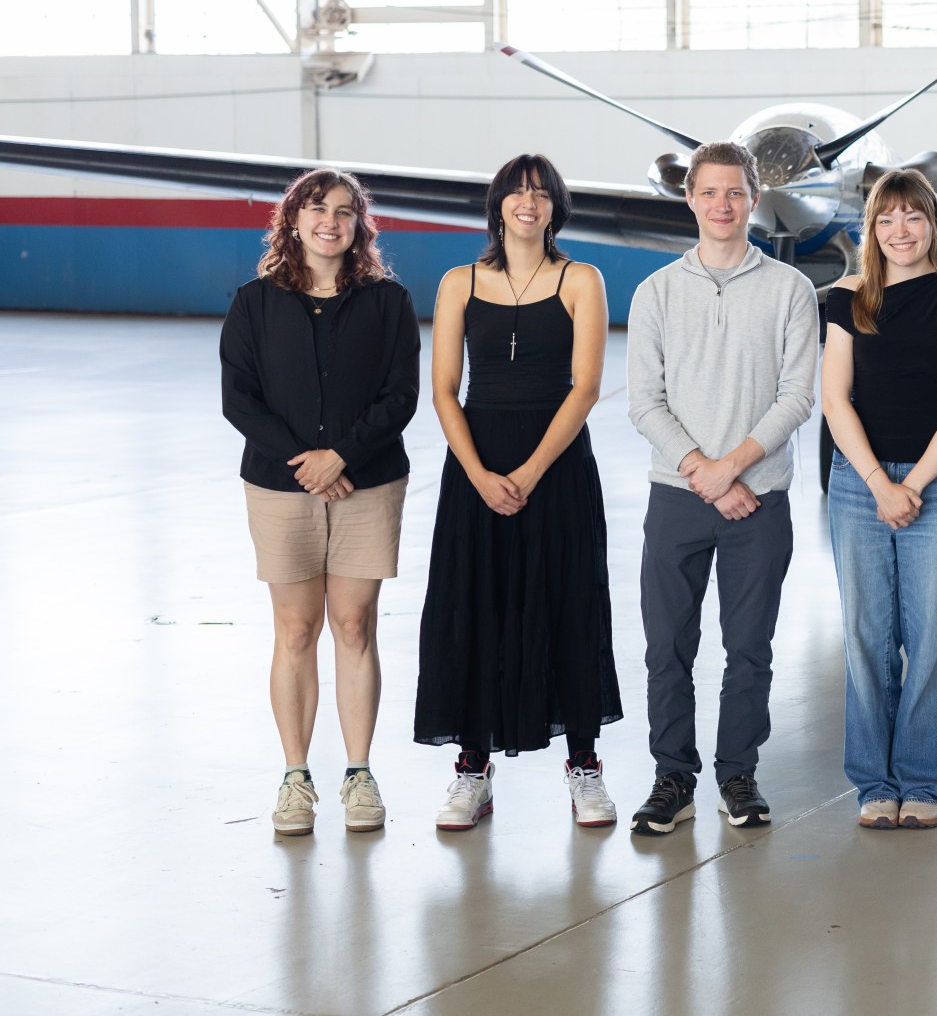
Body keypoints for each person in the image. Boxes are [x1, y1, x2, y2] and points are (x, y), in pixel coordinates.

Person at [413, 155, 623, 830]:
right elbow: (445, 388)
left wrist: (531, 472)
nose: (527, 204)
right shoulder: (458, 282)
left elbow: (584, 387)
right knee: (475, 606)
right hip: (476, 463)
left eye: (540, 194)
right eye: (515, 193)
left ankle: (585, 767)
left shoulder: (580, 279)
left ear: (556, 207)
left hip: (555, 465)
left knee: (568, 603)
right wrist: (477, 472)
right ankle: (472, 771)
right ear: (497, 205)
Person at [221, 169, 419, 836]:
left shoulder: (387, 301)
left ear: (360, 224)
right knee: (297, 629)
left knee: (356, 625)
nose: (329, 220)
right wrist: (308, 463)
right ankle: (295, 778)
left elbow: (400, 396)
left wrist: (344, 457)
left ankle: (359, 774)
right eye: (316, 208)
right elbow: (239, 398)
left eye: (343, 211)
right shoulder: (254, 302)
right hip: (280, 485)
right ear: (293, 220)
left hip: (369, 483)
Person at [627, 141, 817, 834]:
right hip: (677, 495)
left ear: (754, 197)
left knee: (749, 647)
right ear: (690, 199)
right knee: (667, 645)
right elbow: (644, 399)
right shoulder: (656, 292)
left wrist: (731, 468)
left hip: (758, 500)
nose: (721, 205)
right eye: (708, 193)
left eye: (734, 192)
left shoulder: (791, 290)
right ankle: (671, 776)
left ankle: (739, 773)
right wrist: (705, 474)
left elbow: (797, 396)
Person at [820, 170, 937, 829]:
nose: (900, 230)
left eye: (913, 216)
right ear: (871, 229)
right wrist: (877, 484)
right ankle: (873, 783)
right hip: (859, 487)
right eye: (886, 219)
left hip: (936, 485)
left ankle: (923, 781)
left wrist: (911, 485)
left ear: (932, 224)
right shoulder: (847, 294)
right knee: (866, 638)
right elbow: (836, 397)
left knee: (930, 638)